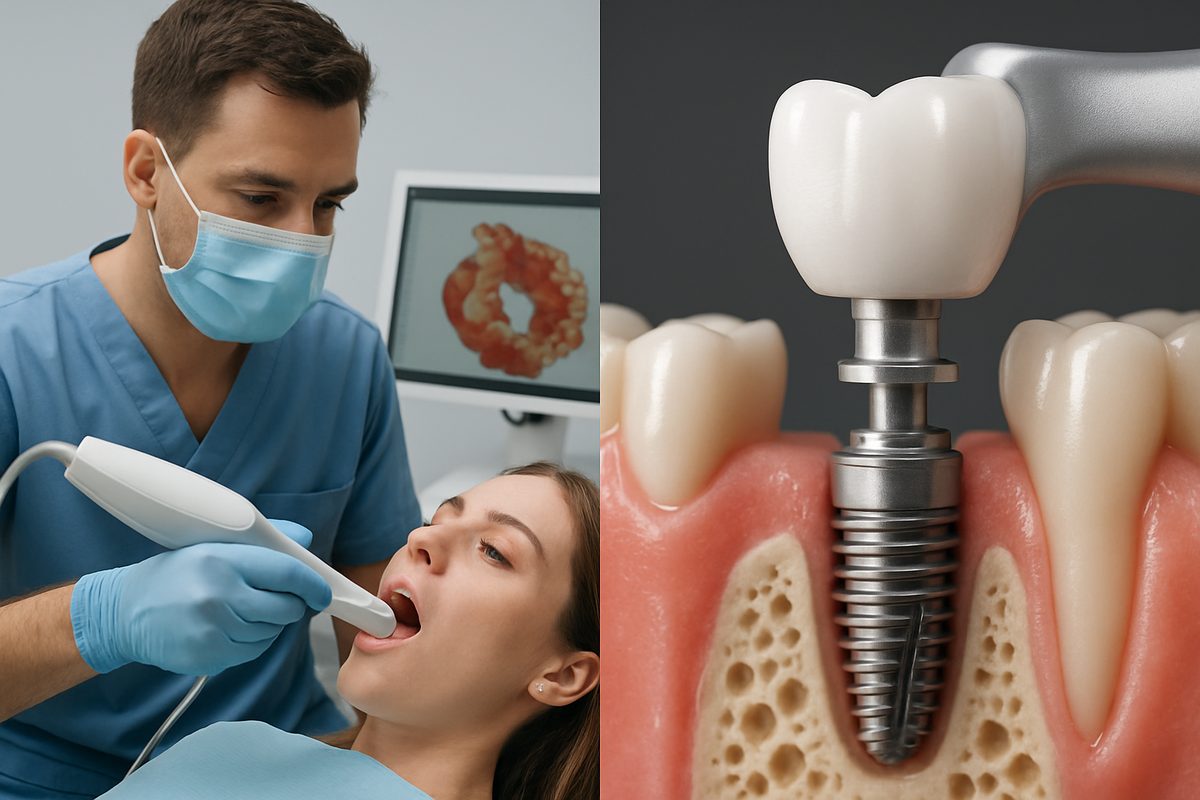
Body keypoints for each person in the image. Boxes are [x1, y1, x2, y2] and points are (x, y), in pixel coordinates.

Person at [0, 2, 421, 797]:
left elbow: (388, 632)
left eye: (329, 204)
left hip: (279, 767)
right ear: (146, 172)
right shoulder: (15, 351)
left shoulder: (344, 358)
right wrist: (103, 618)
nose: (304, 238)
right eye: (262, 200)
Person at [95, 462, 600, 800]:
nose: (422, 537)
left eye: (494, 550)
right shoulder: (230, 746)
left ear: (563, 676)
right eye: (434, 518)